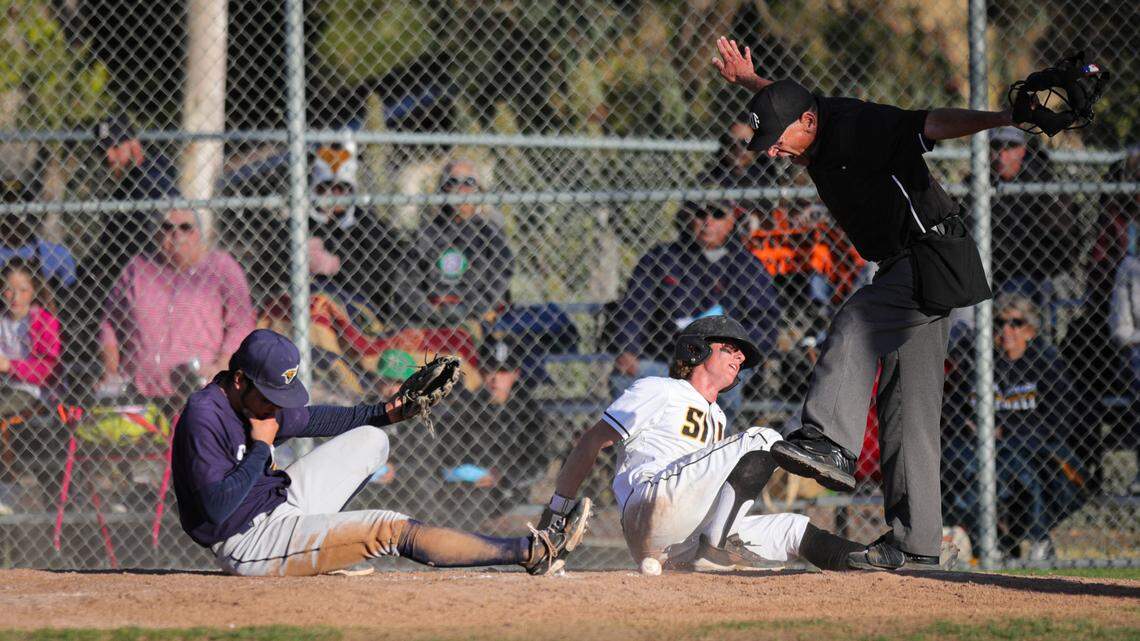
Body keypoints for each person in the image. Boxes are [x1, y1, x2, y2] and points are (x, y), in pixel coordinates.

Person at [711, 36, 1015, 566]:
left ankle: (828, 440)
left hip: (929, 253)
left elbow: (931, 123)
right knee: (908, 410)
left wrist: (1003, 117)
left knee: (856, 319)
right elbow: (792, 100)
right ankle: (917, 546)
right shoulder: (810, 120)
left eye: (778, 143)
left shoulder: (858, 126)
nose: (776, 154)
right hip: (911, 261)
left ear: (807, 123)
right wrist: (751, 83)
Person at [171, 329, 589, 576]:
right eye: (270, 395)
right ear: (240, 380)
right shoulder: (204, 417)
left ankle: (317, 543)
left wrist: (383, 413)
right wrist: (262, 448)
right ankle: (531, 552)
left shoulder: (258, 404)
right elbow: (216, 509)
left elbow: (314, 420)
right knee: (391, 529)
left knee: (373, 438)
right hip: (246, 541)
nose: (277, 406)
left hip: (279, 505)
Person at [540, 315, 904, 572]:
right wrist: (557, 510)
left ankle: (875, 563)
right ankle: (713, 550)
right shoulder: (658, 388)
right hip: (650, 506)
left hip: (685, 534)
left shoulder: (717, 417)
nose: (741, 357)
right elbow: (592, 441)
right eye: (730, 348)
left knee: (792, 528)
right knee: (764, 437)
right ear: (696, 351)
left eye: (740, 354)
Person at [609, 199, 780, 424]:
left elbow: (764, 321)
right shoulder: (662, 258)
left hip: (721, 362)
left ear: (731, 222)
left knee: (723, 386)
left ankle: (714, 450)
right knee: (622, 380)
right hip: (666, 358)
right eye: (700, 214)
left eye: (718, 214)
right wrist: (627, 348)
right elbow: (634, 309)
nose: (707, 221)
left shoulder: (747, 265)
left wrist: (734, 357)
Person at [943, 294, 1085, 560]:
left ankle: (1026, 538)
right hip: (980, 449)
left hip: (1032, 448)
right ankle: (994, 540)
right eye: (999, 323)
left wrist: (1006, 430)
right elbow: (953, 408)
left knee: (1017, 465)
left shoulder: (1046, 361)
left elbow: (1061, 418)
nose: (1005, 330)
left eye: (1015, 323)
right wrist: (970, 424)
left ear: (1030, 330)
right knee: (960, 461)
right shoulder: (981, 362)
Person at [99, 208, 256, 402]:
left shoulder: (221, 267)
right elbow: (110, 322)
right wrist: (111, 372)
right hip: (139, 391)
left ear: (198, 233)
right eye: (167, 228)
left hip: (200, 390)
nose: (176, 234)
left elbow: (241, 324)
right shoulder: (137, 269)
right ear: (156, 233)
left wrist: (222, 367)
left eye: (185, 227)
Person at [435, 333, 548, 525]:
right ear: (480, 372)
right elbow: (446, 454)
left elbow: (539, 462)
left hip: (508, 487)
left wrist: (503, 476)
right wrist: (468, 473)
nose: (495, 378)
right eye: (490, 370)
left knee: (473, 504)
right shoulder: (465, 408)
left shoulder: (529, 410)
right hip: (466, 486)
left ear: (515, 374)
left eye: (504, 372)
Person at [399, 159, 513, 326]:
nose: (461, 190)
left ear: (478, 189)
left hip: (478, 319)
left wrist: (473, 311)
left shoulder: (489, 232)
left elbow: (501, 279)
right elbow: (406, 283)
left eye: (468, 182)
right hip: (431, 320)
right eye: (453, 182)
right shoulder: (428, 233)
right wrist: (431, 313)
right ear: (444, 188)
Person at [306, 145, 410, 319]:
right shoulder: (305, 223)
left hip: (357, 302)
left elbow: (380, 270)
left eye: (341, 188)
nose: (333, 195)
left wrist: (339, 264)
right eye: (325, 188)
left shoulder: (366, 223)